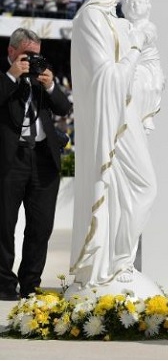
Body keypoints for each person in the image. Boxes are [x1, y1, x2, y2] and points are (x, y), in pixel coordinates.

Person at [70, 0, 158, 288]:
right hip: (110, 124)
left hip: (125, 116)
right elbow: (105, 78)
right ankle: (113, 265)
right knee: (143, 185)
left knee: (143, 187)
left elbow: (140, 71)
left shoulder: (113, 20)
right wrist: (136, 44)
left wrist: (141, 44)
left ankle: (122, 262)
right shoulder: (90, 18)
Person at [0, 27, 72, 300]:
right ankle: (4, 285)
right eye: (27, 55)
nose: (32, 60)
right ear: (12, 51)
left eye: (37, 55)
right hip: (10, 159)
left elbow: (64, 108)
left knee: (40, 226)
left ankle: (31, 284)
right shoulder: (4, 75)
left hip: (43, 158)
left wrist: (51, 85)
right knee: (4, 225)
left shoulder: (41, 79)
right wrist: (11, 76)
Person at [120, 0, 165, 134]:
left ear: (146, 6)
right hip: (130, 60)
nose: (135, 5)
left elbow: (149, 35)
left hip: (147, 61)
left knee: (153, 84)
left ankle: (147, 115)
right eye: (132, 3)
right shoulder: (124, 25)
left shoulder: (147, 25)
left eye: (139, 3)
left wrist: (139, 37)